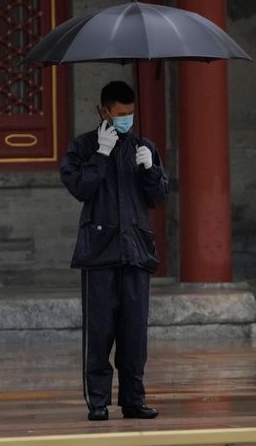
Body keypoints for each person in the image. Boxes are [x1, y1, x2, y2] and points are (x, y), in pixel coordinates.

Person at [60, 80, 168, 422]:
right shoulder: (83, 147)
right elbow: (78, 187)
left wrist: (150, 170)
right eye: (121, 114)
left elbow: (158, 197)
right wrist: (101, 155)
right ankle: (97, 400)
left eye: (131, 114)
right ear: (103, 111)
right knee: (100, 330)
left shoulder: (142, 146)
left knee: (134, 333)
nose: (126, 120)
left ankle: (134, 399)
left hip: (135, 250)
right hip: (99, 252)